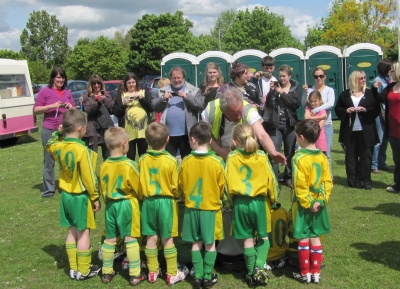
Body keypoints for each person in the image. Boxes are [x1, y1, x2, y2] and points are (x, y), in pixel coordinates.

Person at [46, 109, 101, 280]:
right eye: (85, 127)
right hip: (80, 196)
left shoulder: (58, 146)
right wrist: (95, 196)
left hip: (65, 195)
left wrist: (58, 132)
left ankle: (73, 268)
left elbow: (49, 144)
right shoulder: (82, 150)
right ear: (79, 128)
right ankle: (84, 270)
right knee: (84, 232)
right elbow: (89, 177)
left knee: (72, 231)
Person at [225, 124, 279, 286]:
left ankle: (250, 272)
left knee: (247, 240)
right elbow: (272, 182)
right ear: (254, 138)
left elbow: (226, 184)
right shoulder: (261, 156)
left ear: (234, 142)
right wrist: (273, 200)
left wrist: (229, 203)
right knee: (262, 237)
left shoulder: (232, 157)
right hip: (260, 203)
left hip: (241, 203)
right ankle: (259, 268)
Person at [139, 122, 187, 285]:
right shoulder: (172, 161)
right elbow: (176, 186)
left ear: (147, 140)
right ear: (168, 139)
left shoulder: (142, 159)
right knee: (168, 239)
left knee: (151, 238)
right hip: (166, 203)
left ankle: (152, 271)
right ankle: (172, 273)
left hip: (149, 202)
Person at [179, 121, 225, 289]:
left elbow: (181, 184)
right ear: (210, 140)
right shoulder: (218, 162)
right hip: (210, 209)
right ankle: (207, 276)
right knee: (210, 243)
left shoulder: (185, 161)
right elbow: (222, 186)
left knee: (195, 243)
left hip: (192, 208)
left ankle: (197, 277)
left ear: (192, 139)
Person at [99, 127, 145, 285]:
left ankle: (106, 271)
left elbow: (103, 188)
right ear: (124, 143)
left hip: (111, 205)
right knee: (130, 239)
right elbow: (138, 187)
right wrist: (140, 199)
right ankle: (134, 274)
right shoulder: (130, 165)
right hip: (127, 203)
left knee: (110, 239)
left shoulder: (103, 165)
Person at [291, 119, 332, 284]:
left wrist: (308, 202)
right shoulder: (322, 156)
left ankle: (304, 272)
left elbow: (299, 184)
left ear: (301, 137)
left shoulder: (298, 158)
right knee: (315, 236)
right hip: (318, 205)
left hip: (302, 205)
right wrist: (320, 200)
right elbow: (327, 181)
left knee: (303, 237)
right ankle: (315, 273)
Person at [202, 87, 286, 164]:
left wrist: (272, 152)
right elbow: (205, 134)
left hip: (243, 156)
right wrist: (219, 150)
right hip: (216, 157)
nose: (239, 116)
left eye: (240, 111)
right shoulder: (211, 109)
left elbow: (261, 134)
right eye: (234, 114)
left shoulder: (248, 110)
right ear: (223, 110)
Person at [33, 67, 75, 198]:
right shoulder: (45, 92)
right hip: (49, 129)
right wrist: (51, 106)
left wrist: (70, 108)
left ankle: (68, 185)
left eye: (62, 77)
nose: (60, 80)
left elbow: (75, 110)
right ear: (52, 78)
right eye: (58, 77)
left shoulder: (67, 92)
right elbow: (36, 110)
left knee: (66, 159)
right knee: (49, 159)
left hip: (65, 130)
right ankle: (48, 190)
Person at [335, 70, 380, 190]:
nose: (363, 80)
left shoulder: (370, 93)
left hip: (366, 131)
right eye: (360, 78)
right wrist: (346, 111)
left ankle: (365, 182)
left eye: (364, 78)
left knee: (366, 157)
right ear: (354, 80)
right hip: (349, 131)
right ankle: (351, 182)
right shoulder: (345, 94)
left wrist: (366, 110)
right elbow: (338, 109)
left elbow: (377, 109)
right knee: (350, 158)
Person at [152, 67, 204, 160]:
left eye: (179, 78)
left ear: (183, 78)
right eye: (174, 78)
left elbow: (200, 105)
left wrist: (187, 97)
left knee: (187, 162)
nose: (176, 80)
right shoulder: (162, 91)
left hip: (187, 135)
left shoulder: (194, 90)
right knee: (168, 162)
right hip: (168, 135)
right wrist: (163, 98)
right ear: (171, 79)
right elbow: (154, 106)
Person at [264, 64, 301, 187]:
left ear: (289, 76)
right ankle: (274, 177)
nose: (282, 78)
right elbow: (269, 104)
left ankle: (288, 177)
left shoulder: (295, 89)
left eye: (284, 76)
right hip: (275, 124)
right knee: (274, 151)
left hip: (290, 124)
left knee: (290, 152)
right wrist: (271, 92)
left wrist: (282, 93)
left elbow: (295, 104)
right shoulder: (275, 86)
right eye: (280, 76)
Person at [372, 61, 400, 192]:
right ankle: (398, 184)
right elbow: (379, 98)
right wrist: (373, 89)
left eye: (393, 70)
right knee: (397, 158)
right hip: (393, 129)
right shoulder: (390, 87)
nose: (391, 72)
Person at [302, 67, 335, 178]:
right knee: (312, 152)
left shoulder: (329, 90)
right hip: (311, 128)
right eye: (316, 76)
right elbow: (305, 104)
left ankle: (328, 177)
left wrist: (315, 111)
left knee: (326, 153)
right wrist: (305, 93)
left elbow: (330, 103)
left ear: (325, 76)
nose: (319, 78)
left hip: (326, 126)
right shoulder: (311, 90)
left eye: (321, 76)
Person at [112, 72, 152, 161]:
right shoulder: (121, 95)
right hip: (128, 131)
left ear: (136, 82)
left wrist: (142, 99)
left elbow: (151, 108)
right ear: (125, 83)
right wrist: (124, 104)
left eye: (133, 82)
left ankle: (142, 172)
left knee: (143, 155)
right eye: (129, 83)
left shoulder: (143, 92)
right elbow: (116, 112)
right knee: (130, 156)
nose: (131, 84)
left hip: (143, 131)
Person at [81, 74, 114, 161]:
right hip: (93, 130)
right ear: (91, 85)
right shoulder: (86, 97)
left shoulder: (107, 96)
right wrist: (97, 102)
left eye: (98, 83)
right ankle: (91, 174)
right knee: (92, 157)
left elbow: (112, 109)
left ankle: (106, 174)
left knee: (108, 156)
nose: (96, 85)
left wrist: (105, 99)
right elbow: (89, 110)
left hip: (107, 129)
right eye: (94, 83)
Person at [371, 59, 393, 173]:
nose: (391, 70)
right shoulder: (378, 81)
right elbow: (377, 98)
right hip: (380, 113)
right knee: (379, 139)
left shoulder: (388, 80)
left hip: (387, 112)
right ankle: (374, 165)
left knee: (385, 139)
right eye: (390, 68)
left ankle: (381, 162)